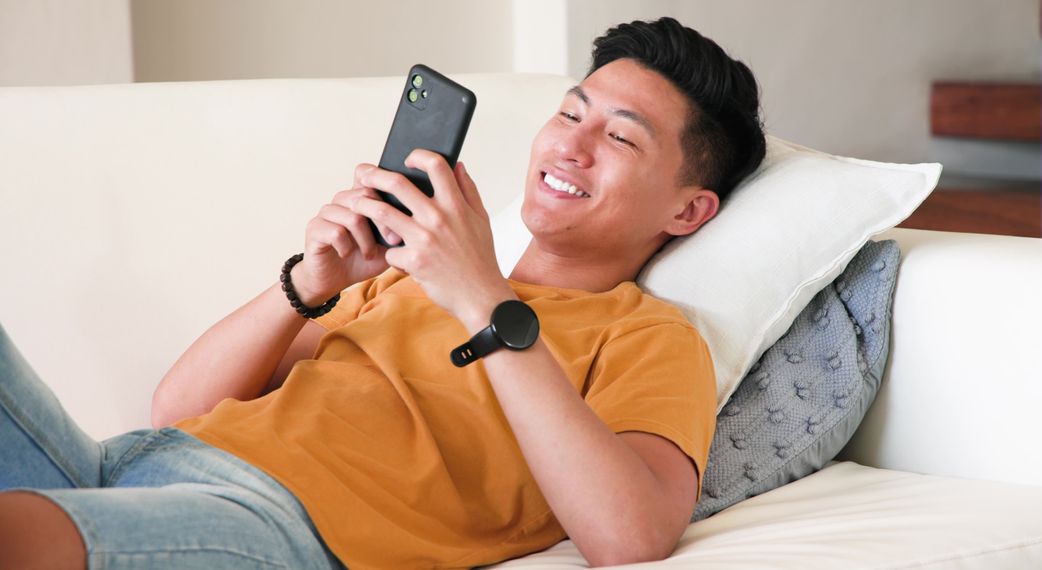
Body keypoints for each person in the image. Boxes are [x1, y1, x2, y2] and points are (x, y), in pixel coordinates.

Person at [0, 16, 765, 569]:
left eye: (621, 137)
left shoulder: (649, 337)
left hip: (274, 527)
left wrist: (483, 300)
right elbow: (178, 410)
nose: (570, 143)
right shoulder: (404, 273)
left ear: (687, 209)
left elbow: (627, 536)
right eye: (571, 111)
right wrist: (311, 282)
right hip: (132, 464)